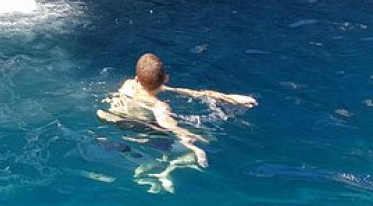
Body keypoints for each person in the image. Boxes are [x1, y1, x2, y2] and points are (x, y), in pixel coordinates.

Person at [99, 53, 256, 171]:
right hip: (140, 129)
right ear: (166, 78)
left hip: (112, 120)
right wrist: (189, 140)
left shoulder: (128, 85)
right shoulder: (158, 105)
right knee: (207, 138)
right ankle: (179, 159)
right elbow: (166, 123)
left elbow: (189, 92)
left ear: (137, 79)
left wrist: (228, 98)